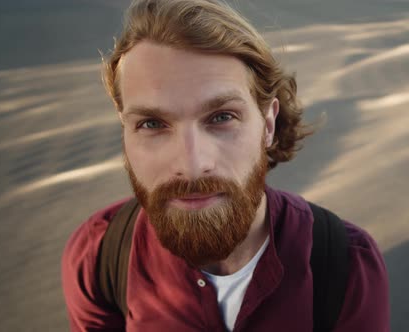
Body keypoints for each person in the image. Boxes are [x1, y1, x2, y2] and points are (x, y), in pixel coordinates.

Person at [61, 0, 389, 331]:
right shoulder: (98, 259)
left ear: (269, 124)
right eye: (151, 124)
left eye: (221, 117)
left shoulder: (347, 266)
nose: (191, 164)